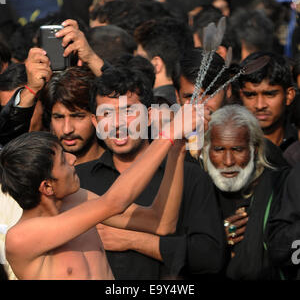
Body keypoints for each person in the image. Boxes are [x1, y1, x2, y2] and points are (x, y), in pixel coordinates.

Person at [0, 93, 202, 280]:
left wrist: (176, 149)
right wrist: (168, 133)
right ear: (47, 187)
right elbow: (114, 202)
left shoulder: (77, 199)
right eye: (63, 160)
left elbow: (160, 221)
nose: (72, 159)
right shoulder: (21, 238)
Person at [75, 62, 225, 280]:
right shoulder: (79, 180)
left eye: (128, 112)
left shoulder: (189, 175)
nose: (118, 124)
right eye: (106, 114)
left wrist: (134, 241)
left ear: (149, 115)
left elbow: (210, 258)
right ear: (94, 121)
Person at [202, 104, 290, 279]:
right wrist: (216, 238)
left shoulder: (277, 186)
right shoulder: (197, 187)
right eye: (219, 150)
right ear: (206, 149)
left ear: (254, 149)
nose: (228, 161)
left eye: (237, 149)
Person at [40, 67, 105, 165]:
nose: (67, 129)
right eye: (59, 117)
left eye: (78, 116)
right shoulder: (43, 169)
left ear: (96, 117)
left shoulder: (121, 169)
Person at [238, 52, 297, 153]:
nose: (260, 105)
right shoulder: (229, 145)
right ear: (241, 95)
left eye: (270, 94)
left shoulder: (297, 144)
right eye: (250, 95)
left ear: (289, 95)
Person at [134, 16, 194, 105]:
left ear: (156, 64)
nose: (135, 65)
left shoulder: (149, 108)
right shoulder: (193, 102)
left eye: (139, 59)